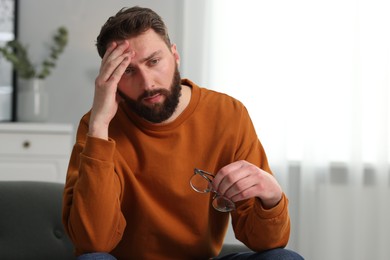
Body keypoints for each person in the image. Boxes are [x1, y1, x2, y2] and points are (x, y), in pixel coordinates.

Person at [62, 6, 304, 260]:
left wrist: (272, 197)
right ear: (110, 79)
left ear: (175, 55)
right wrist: (100, 125)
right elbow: (93, 241)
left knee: (284, 259)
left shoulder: (227, 114)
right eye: (128, 71)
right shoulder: (96, 127)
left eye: (154, 61)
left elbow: (268, 241)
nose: (148, 83)